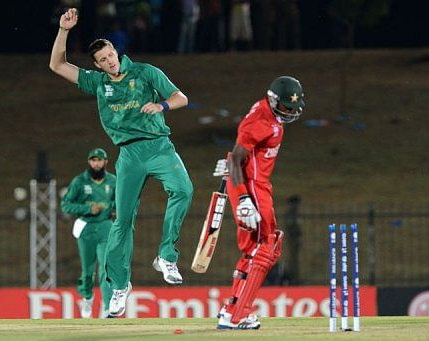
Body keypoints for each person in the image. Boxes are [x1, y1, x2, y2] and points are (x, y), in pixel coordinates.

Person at [50, 8, 194, 318]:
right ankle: (119, 287)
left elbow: (181, 97)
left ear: (117, 52)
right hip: (128, 155)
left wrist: (161, 105)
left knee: (184, 189)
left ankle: (167, 257)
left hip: (159, 148)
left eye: (111, 54)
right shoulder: (97, 83)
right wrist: (64, 30)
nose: (110, 61)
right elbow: (57, 65)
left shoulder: (145, 72)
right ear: (98, 64)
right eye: (103, 60)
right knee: (122, 222)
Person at [212, 76, 305, 329]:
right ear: (274, 100)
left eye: (293, 108)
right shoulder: (259, 121)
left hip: (258, 184)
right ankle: (239, 314)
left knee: (253, 250)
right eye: (286, 107)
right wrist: (243, 197)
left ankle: (231, 308)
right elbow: (235, 161)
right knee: (267, 246)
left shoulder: (270, 114)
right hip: (252, 186)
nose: (290, 112)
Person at [61, 148, 116, 318]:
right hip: (86, 228)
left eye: (99, 160)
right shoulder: (80, 181)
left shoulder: (113, 181)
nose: (96, 163)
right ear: (89, 162)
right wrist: (87, 209)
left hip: (105, 227)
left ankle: (108, 307)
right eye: (93, 160)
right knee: (87, 270)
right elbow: (66, 204)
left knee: (106, 268)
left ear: (105, 162)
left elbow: (120, 201)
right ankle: (87, 298)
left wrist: (114, 209)